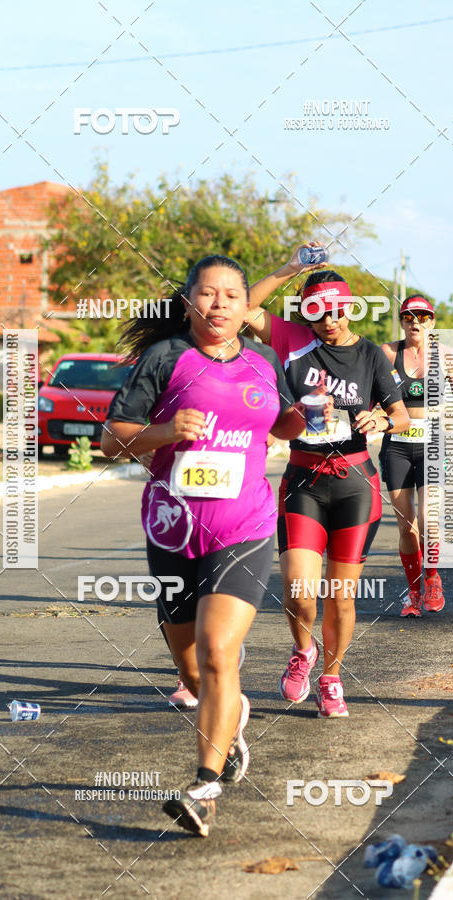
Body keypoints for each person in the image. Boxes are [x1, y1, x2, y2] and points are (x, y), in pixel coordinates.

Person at [101, 255, 309, 837]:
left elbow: (284, 423)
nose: (218, 304)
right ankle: (230, 712)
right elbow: (111, 439)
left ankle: (205, 787)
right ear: (189, 300)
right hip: (173, 528)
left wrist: (305, 414)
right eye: (207, 294)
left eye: (230, 295)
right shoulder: (165, 358)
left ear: (248, 307)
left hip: (244, 526)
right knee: (194, 673)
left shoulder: (266, 361)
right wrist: (167, 431)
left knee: (221, 650)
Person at [244, 248, 409, 717]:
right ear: (306, 314)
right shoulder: (293, 340)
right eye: (318, 314)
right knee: (300, 592)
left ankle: (332, 678)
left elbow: (398, 413)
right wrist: (291, 269)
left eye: (337, 311)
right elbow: (246, 308)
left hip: (357, 483)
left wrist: (383, 421)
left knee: (340, 595)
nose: (329, 322)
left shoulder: (371, 355)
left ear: (349, 307)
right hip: (303, 480)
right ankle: (303, 652)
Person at [379, 296, 453, 616]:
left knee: (430, 520)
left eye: (422, 316)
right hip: (396, 445)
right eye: (408, 317)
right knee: (407, 525)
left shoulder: (446, 356)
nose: (415, 322)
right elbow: (371, 395)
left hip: (435, 444)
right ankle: (414, 591)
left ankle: (432, 578)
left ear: (432, 322)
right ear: (402, 321)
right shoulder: (387, 353)